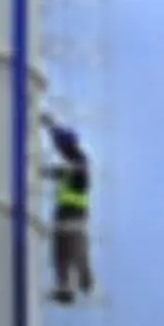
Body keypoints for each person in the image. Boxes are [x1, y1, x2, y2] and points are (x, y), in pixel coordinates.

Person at [46, 116, 95, 302]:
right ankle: (65, 289)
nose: (60, 151)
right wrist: (51, 125)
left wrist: (49, 172)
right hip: (64, 211)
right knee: (61, 252)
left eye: (63, 147)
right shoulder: (71, 159)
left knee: (77, 248)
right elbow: (60, 139)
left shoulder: (80, 161)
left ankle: (85, 280)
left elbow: (72, 173)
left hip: (75, 211)